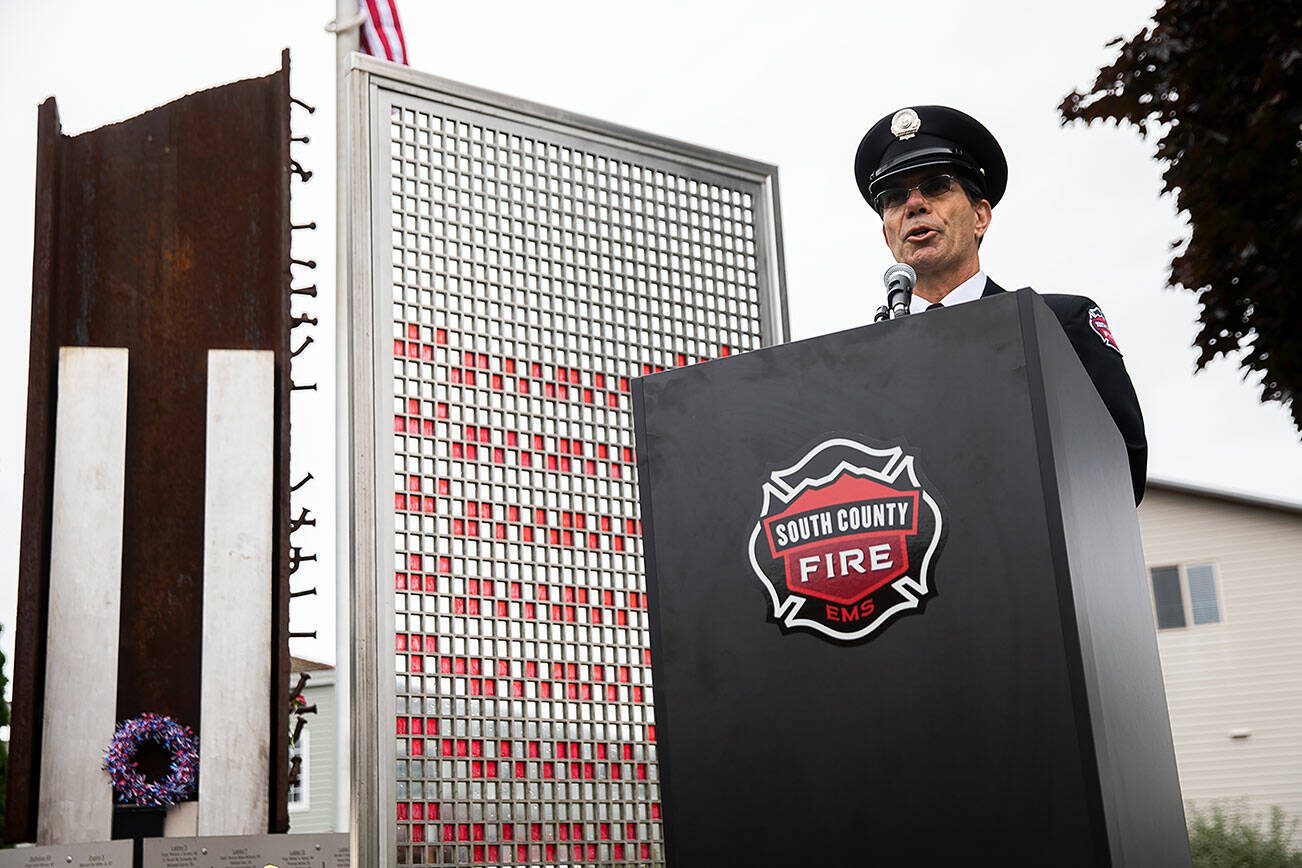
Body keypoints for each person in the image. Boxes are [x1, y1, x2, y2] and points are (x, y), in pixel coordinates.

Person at [854, 105, 1147, 504]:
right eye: (893, 197)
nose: (914, 205)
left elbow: (1123, 469)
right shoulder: (861, 365)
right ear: (888, 237)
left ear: (980, 216)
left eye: (937, 186)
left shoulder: (1058, 324)